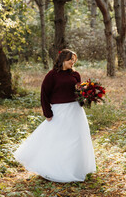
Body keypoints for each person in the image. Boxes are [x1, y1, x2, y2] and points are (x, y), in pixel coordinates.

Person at [14, 49, 96, 182]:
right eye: (70, 59)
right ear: (63, 59)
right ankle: (54, 169)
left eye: (74, 60)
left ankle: (75, 169)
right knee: (59, 139)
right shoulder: (52, 75)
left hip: (75, 111)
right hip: (60, 111)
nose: (72, 62)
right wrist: (47, 113)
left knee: (76, 140)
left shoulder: (75, 75)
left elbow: (78, 94)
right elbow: (44, 94)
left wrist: (85, 97)